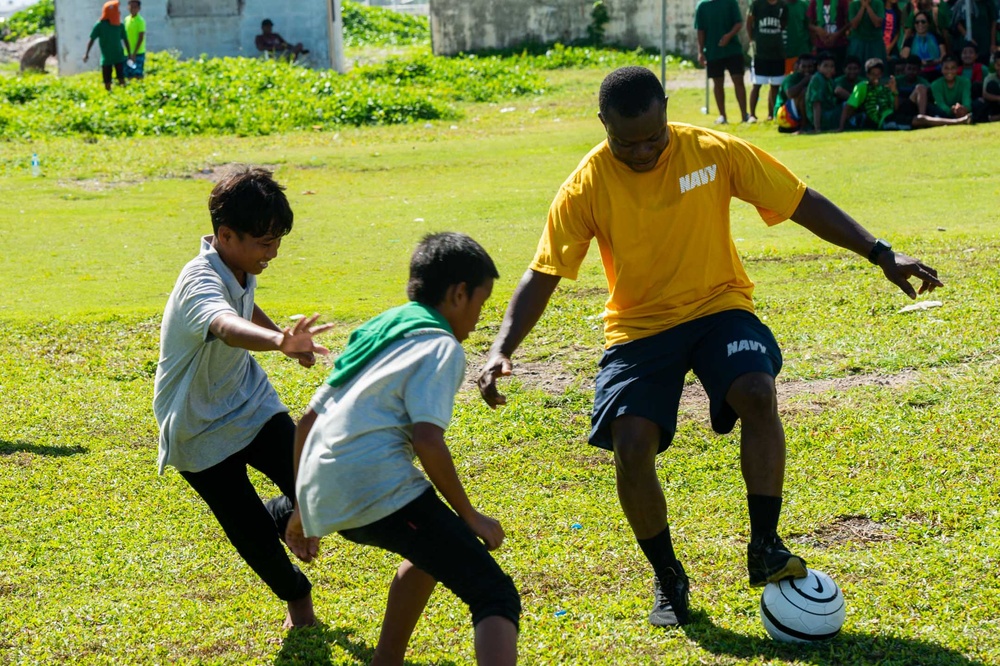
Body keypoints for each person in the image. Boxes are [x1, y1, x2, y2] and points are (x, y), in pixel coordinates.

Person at [476, 66, 942, 628]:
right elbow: (544, 271)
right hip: (639, 327)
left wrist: (882, 253)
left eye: (654, 136)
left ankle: (765, 544)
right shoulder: (587, 183)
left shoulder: (712, 151)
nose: (644, 151)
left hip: (719, 305)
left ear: (667, 110)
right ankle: (668, 574)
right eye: (627, 142)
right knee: (630, 442)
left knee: (755, 390)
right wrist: (502, 347)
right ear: (604, 126)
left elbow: (799, 200)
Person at [285, 232, 520, 665]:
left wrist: (304, 506)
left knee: (433, 548)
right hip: (378, 485)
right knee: (493, 595)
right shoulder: (440, 345)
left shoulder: (379, 327)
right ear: (458, 293)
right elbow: (427, 439)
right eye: (481, 304)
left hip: (325, 486)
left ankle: (387, 659)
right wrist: (471, 515)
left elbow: (306, 422)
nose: (477, 319)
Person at [152, 166, 334, 630]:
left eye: (277, 242)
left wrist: (282, 339)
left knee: (315, 480)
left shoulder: (237, 264)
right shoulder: (199, 281)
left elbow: (243, 306)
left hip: (249, 402)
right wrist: (277, 344)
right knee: (253, 537)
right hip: (197, 427)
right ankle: (299, 600)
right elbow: (224, 324)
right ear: (226, 235)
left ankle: (286, 514)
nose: (272, 253)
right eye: (264, 243)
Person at [841, 56, 971, 127]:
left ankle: (935, 118)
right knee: (920, 119)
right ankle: (957, 122)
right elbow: (848, 106)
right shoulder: (862, 86)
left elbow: (895, 106)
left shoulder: (884, 86)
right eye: (873, 74)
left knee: (920, 94)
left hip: (893, 114)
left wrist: (894, 92)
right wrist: (841, 127)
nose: (876, 77)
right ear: (867, 75)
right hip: (885, 121)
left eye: (878, 74)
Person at [696, 0, 749, 124]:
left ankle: (744, 115)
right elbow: (700, 30)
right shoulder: (702, 6)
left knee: (738, 80)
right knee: (718, 83)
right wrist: (700, 52)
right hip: (713, 50)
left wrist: (729, 36)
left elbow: (739, 23)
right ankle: (722, 116)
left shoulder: (730, 2)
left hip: (733, 49)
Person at [747, 0, 788, 121]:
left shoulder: (782, 5)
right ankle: (752, 115)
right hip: (760, 52)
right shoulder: (756, 4)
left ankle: (772, 114)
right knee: (757, 84)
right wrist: (752, 40)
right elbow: (749, 23)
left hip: (777, 52)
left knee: (775, 85)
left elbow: (784, 24)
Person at [82, 1, 131, 91]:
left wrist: (129, 54)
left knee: (121, 78)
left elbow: (126, 40)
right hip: (106, 58)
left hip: (119, 56)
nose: (119, 12)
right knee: (107, 81)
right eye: (116, 10)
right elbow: (92, 39)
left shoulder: (120, 25)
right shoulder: (100, 25)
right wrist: (86, 54)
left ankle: (124, 96)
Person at [774, 53, 817, 131]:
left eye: (810, 67)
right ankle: (804, 126)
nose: (807, 69)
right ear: (797, 66)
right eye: (803, 67)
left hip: (795, 111)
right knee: (804, 92)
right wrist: (805, 80)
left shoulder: (816, 76)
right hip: (784, 114)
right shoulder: (791, 78)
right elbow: (790, 94)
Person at [900, 11, 946, 77]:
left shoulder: (937, 37)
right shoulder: (910, 40)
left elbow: (943, 55)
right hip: (916, 73)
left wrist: (935, 62)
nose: (920, 24)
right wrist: (919, 62)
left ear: (928, 23)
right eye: (917, 22)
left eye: (923, 22)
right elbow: (905, 57)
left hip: (937, 71)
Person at [808, 0, 851, 68]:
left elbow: (849, 22)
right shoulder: (814, 2)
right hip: (821, 44)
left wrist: (837, 35)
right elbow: (809, 24)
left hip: (839, 44)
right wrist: (818, 30)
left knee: (838, 70)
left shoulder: (842, 1)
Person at [806, 52, 844, 130]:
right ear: (818, 67)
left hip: (829, 112)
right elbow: (816, 104)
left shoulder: (829, 80)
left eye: (832, 66)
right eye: (825, 66)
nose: (829, 69)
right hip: (823, 117)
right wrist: (817, 128)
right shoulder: (818, 79)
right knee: (847, 106)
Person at [847, 0, 889, 65]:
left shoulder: (879, 3)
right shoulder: (854, 4)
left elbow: (877, 23)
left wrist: (867, 6)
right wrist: (863, 7)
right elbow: (854, 25)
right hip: (858, 42)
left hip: (875, 42)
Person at [783, 0, 814, 74]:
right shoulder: (777, 5)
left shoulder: (805, 5)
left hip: (802, 52)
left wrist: (813, 47)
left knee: (803, 79)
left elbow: (811, 27)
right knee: (784, 83)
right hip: (783, 53)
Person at [123, 0, 146, 80]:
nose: (132, 9)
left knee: (137, 74)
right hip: (127, 53)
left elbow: (141, 37)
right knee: (128, 74)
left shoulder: (140, 21)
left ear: (139, 8)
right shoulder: (126, 19)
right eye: (131, 7)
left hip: (138, 53)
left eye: (135, 7)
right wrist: (129, 53)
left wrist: (134, 53)